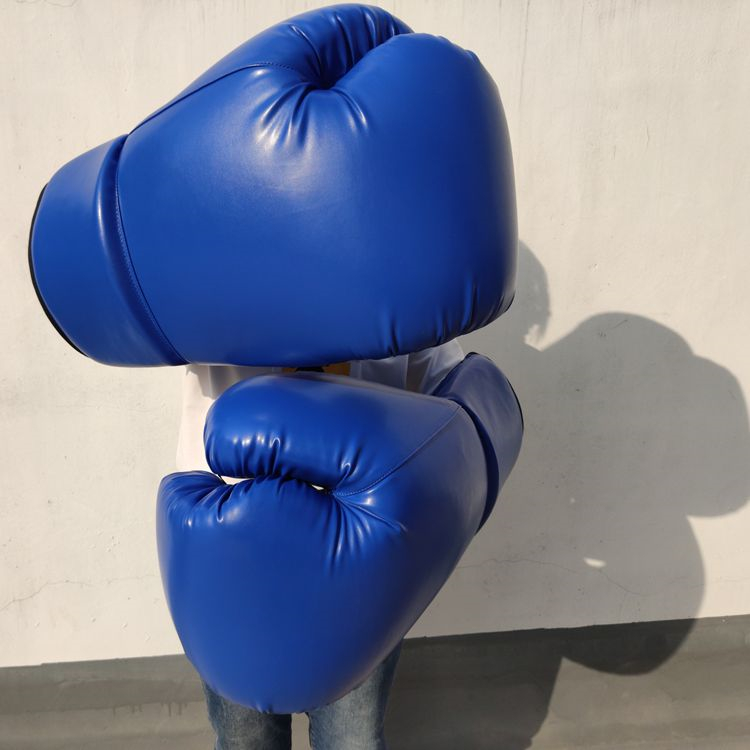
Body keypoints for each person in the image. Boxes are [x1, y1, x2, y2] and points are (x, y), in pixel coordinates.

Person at [174, 341, 465, 750]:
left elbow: (444, 377)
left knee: (352, 740)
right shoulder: (203, 299)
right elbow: (150, 319)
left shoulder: (396, 299)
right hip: (230, 536)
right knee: (245, 740)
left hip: (361, 541)